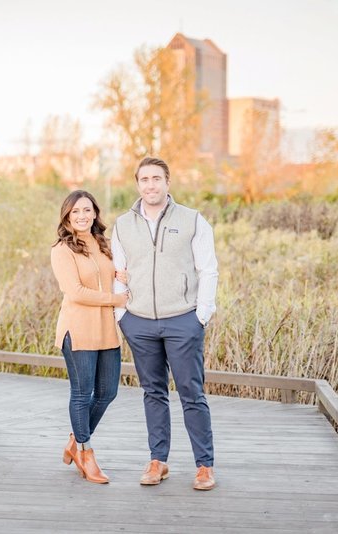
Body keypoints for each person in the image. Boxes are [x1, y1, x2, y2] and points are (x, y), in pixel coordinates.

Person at [112, 156, 219, 491]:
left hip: (182, 320)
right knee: (152, 392)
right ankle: (158, 460)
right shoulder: (122, 225)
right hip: (139, 322)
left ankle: (204, 466)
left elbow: (208, 269)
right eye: (144, 179)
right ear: (137, 184)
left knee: (191, 393)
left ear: (167, 182)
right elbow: (119, 272)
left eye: (156, 178)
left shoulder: (192, 220)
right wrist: (122, 315)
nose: (151, 185)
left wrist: (201, 314)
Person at [51, 190, 128, 484]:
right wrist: (115, 299)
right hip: (78, 330)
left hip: (107, 330)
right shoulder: (62, 250)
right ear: (67, 217)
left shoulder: (104, 243)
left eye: (87, 210)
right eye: (75, 212)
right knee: (82, 395)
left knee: (108, 392)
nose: (82, 216)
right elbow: (76, 292)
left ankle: (75, 439)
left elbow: (114, 275)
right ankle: (85, 452)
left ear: (95, 213)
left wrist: (123, 279)